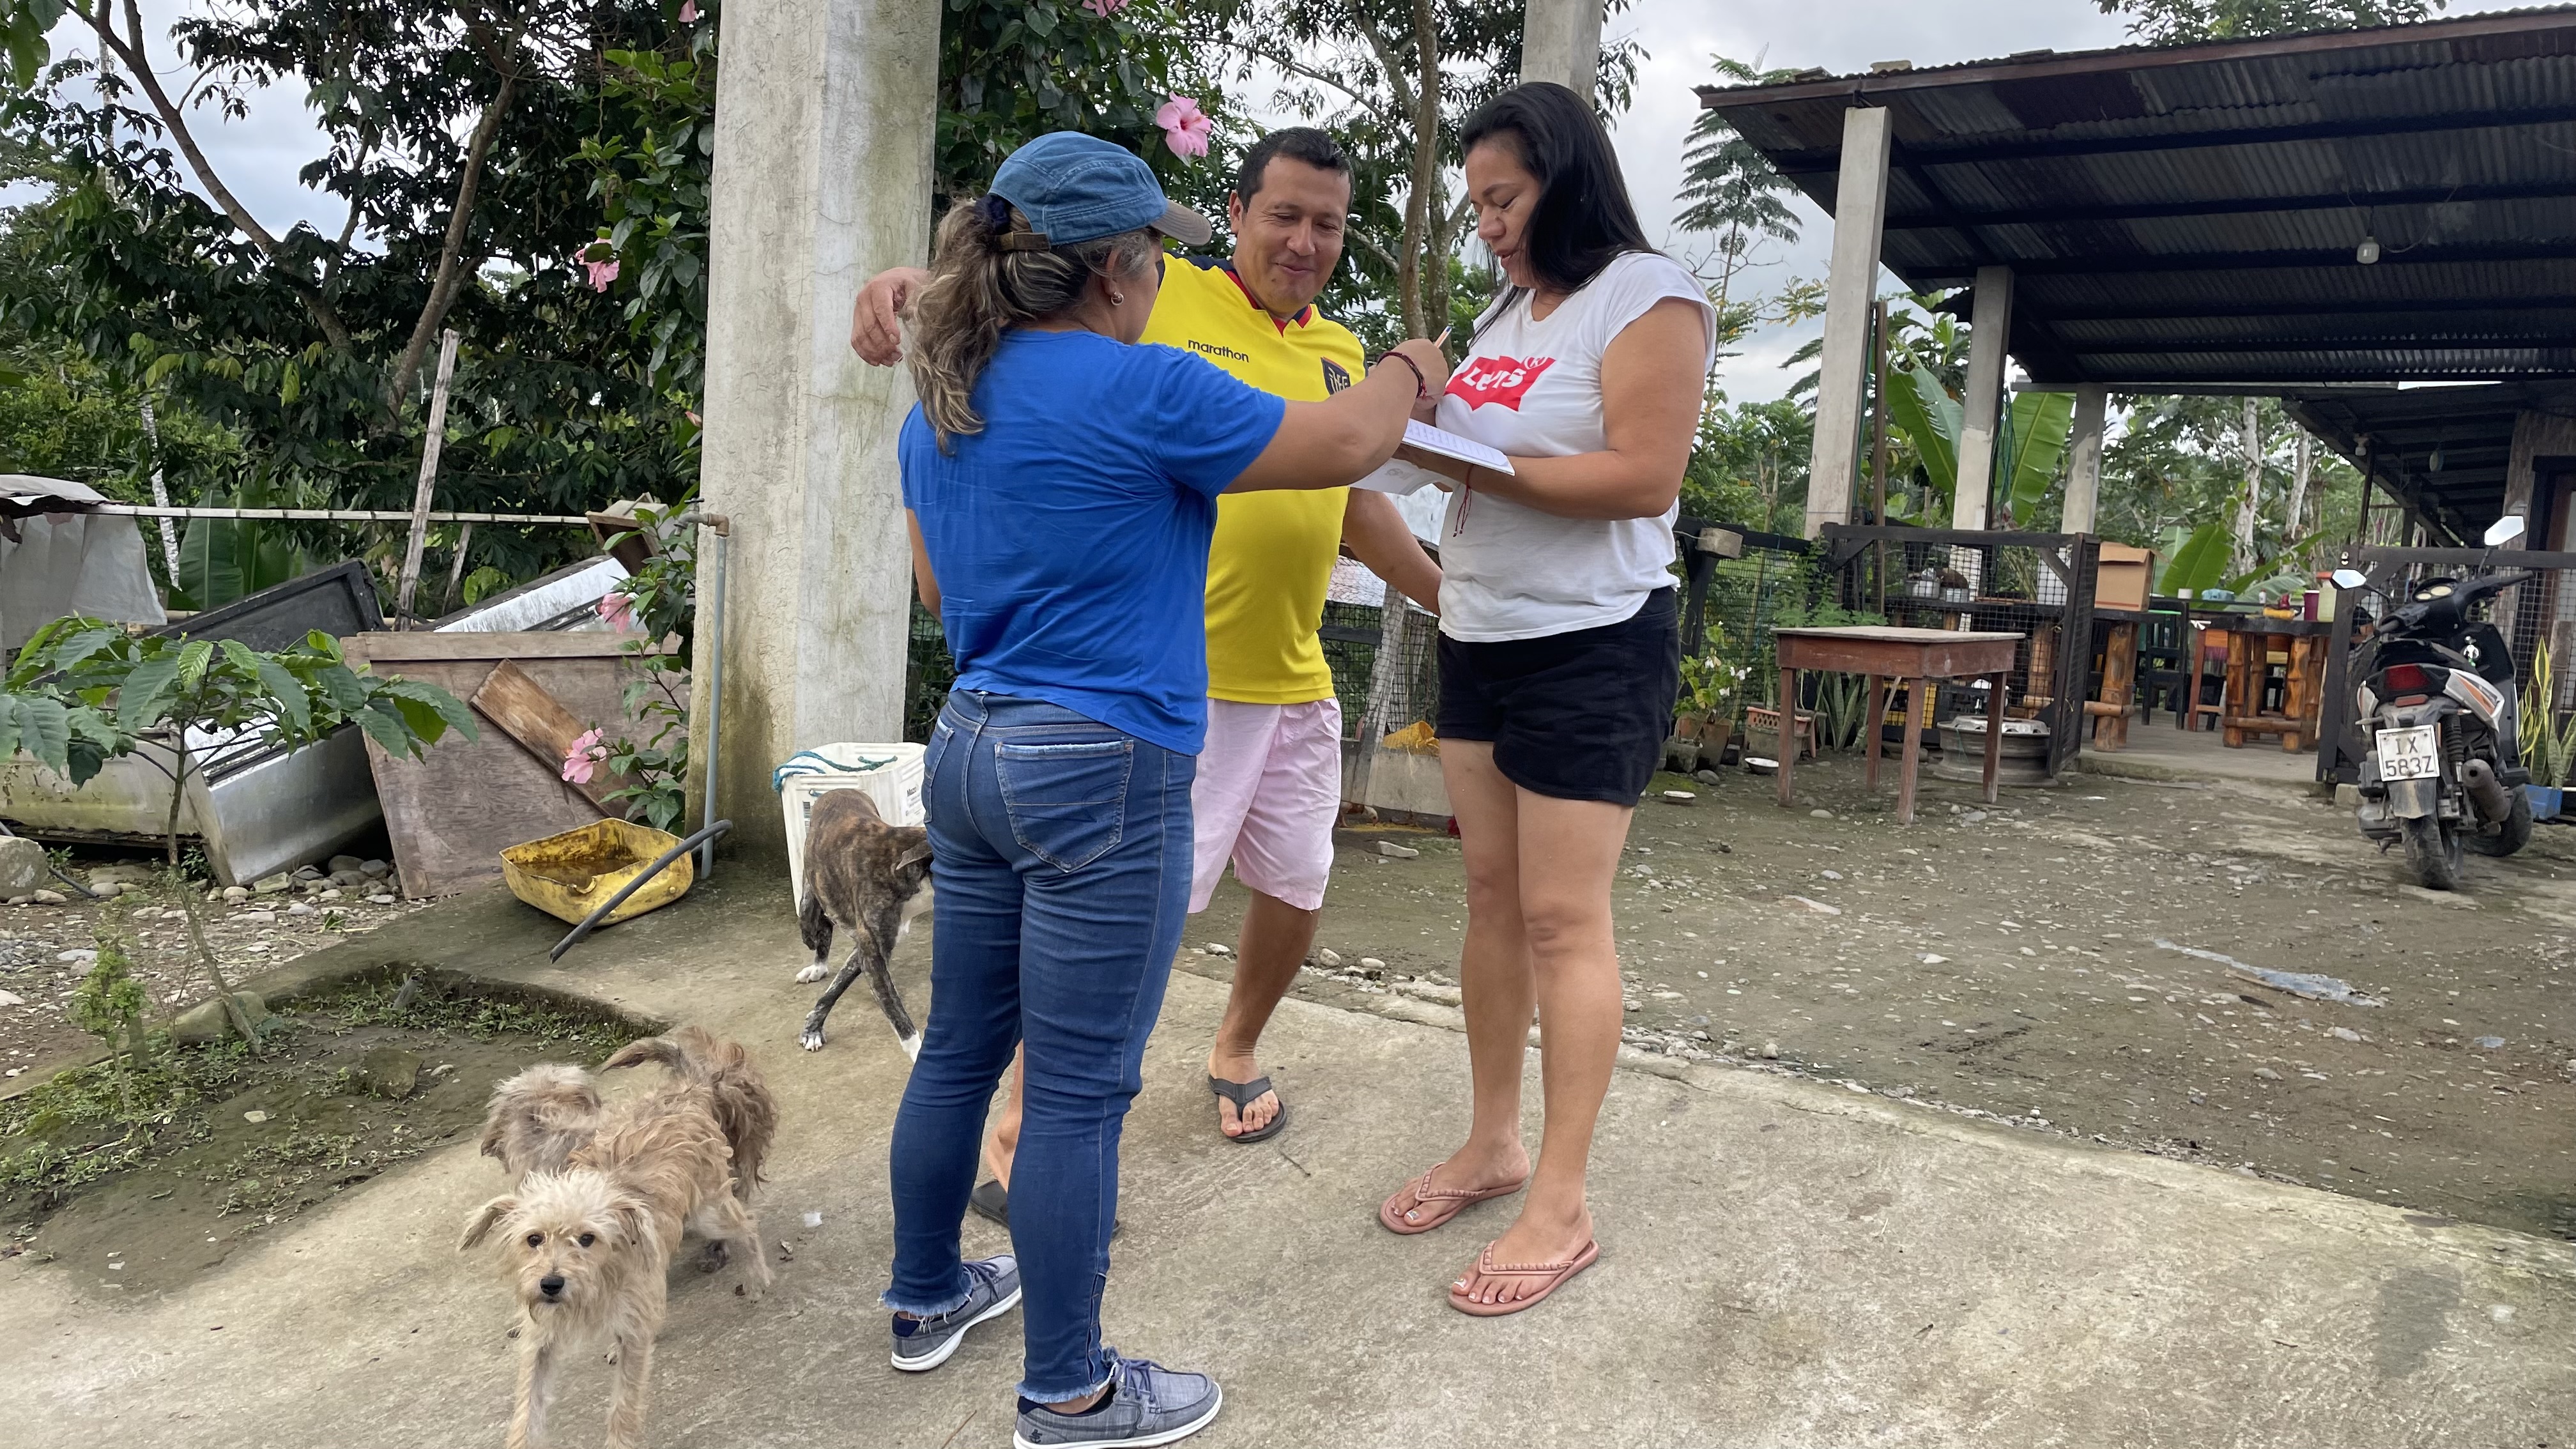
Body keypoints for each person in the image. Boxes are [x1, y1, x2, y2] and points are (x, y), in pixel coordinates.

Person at [885, 130, 1446, 1447]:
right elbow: (1347, 439)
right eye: (1156, 256)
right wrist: (1414, 367)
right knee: (1083, 1092)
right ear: (1118, 271)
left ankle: (925, 1296)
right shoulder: (1144, 386)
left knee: (962, 1048)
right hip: (1103, 761)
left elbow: (936, 593)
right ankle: (1070, 1390)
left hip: (968, 744)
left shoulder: (940, 402)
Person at [1369, 82, 1716, 1317]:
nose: (1489, 225)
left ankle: (1561, 1203)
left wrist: (1474, 457)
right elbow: (1463, 459)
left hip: (1593, 644)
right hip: (1481, 634)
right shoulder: (1508, 312)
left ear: (1566, 179)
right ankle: (1494, 1144)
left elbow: (1643, 477)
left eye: (1505, 198)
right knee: (1490, 900)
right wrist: (1414, 421)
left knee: (1565, 920)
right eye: (1476, 204)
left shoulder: (1649, 296)